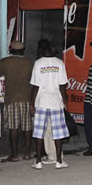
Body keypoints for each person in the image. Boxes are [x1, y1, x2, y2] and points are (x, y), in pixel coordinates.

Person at [29, 39, 69, 170]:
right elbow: (63, 85)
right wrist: (65, 101)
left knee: (39, 133)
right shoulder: (59, 63)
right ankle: (58, 161)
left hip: (41, 102)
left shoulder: (38, 63)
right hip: (56, 102)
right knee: (57, 133)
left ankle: (38, 161)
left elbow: (35, 86)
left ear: (40, 49)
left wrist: (31, 104)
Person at [0, 40, 34, 161]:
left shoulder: (5, 62)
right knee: (27, 128)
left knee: (13, 128)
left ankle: (15, 155)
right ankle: (27, 153)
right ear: (23, 50)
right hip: (27, 98)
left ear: (11, 50)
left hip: (11, 99)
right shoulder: (29, 63)